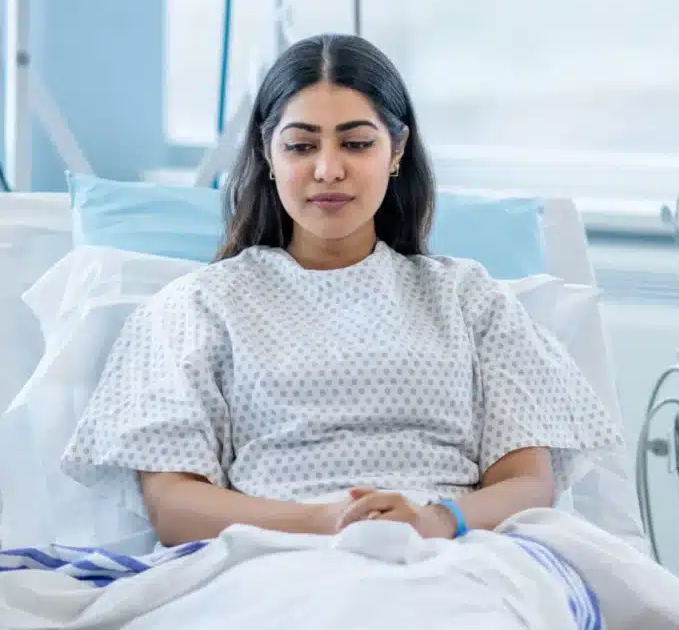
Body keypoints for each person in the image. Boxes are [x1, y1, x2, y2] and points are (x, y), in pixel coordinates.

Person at [60, 34, 624, 548]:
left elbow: (526, 482)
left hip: (457, 555)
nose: (329, 170)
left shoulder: (471, 300)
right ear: (267, 153)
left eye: (355, 143)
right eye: (302, 146)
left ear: (397, 150)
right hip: (267, 559)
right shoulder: (196, 308)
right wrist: (328, 524)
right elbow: (173, 505)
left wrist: (434, 521)